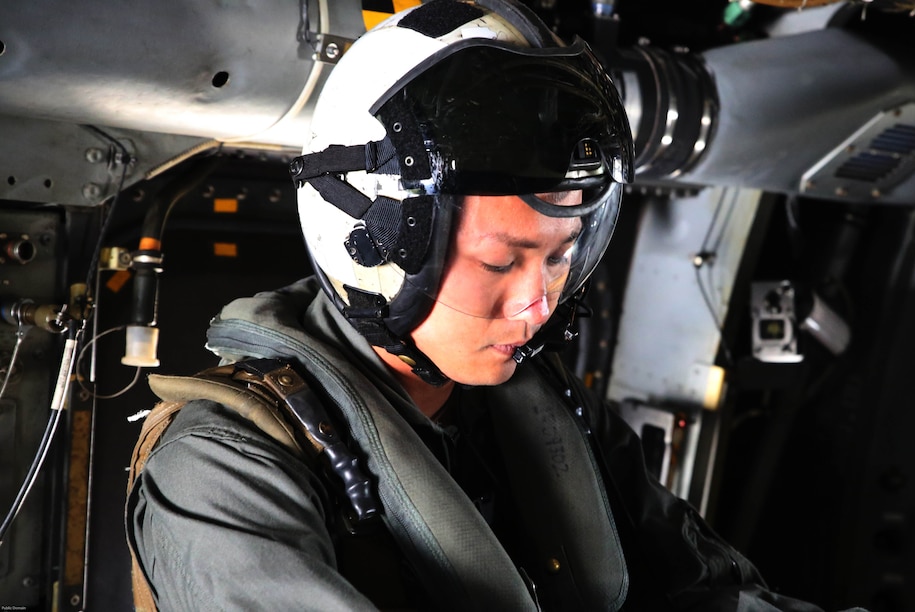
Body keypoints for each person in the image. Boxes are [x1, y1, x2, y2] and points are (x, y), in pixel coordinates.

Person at [125, 1, 859, 610]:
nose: (535, 304)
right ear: (368, 244)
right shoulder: (221, 471)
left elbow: (707, 595)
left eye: (561, 254)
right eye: (501, 261)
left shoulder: (543, 410)